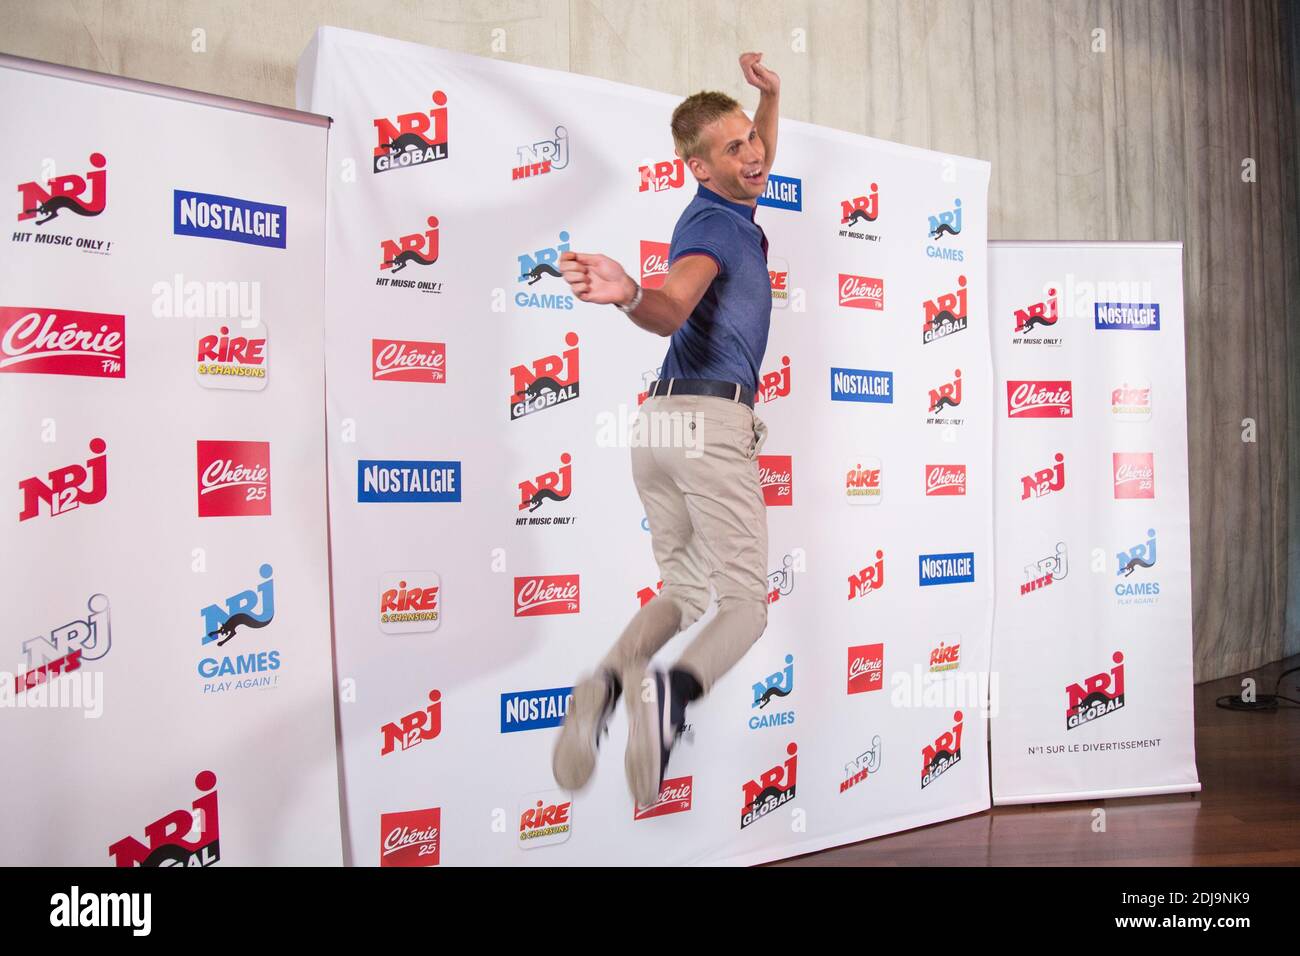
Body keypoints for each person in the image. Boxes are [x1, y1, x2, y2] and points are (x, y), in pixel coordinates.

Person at [552, 51, 781, 807]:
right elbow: (673, 307)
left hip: (660, 428)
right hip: (711, 424)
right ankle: (669, 699)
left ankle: (606, 685)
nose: (754, 155)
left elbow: (759, 155)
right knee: (744, 603)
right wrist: (629, 296)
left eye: (753, 139)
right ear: (697, 167)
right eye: (735, 148)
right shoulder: (714, 228)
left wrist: (767, 97)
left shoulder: (729, 198)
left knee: (684, 591)